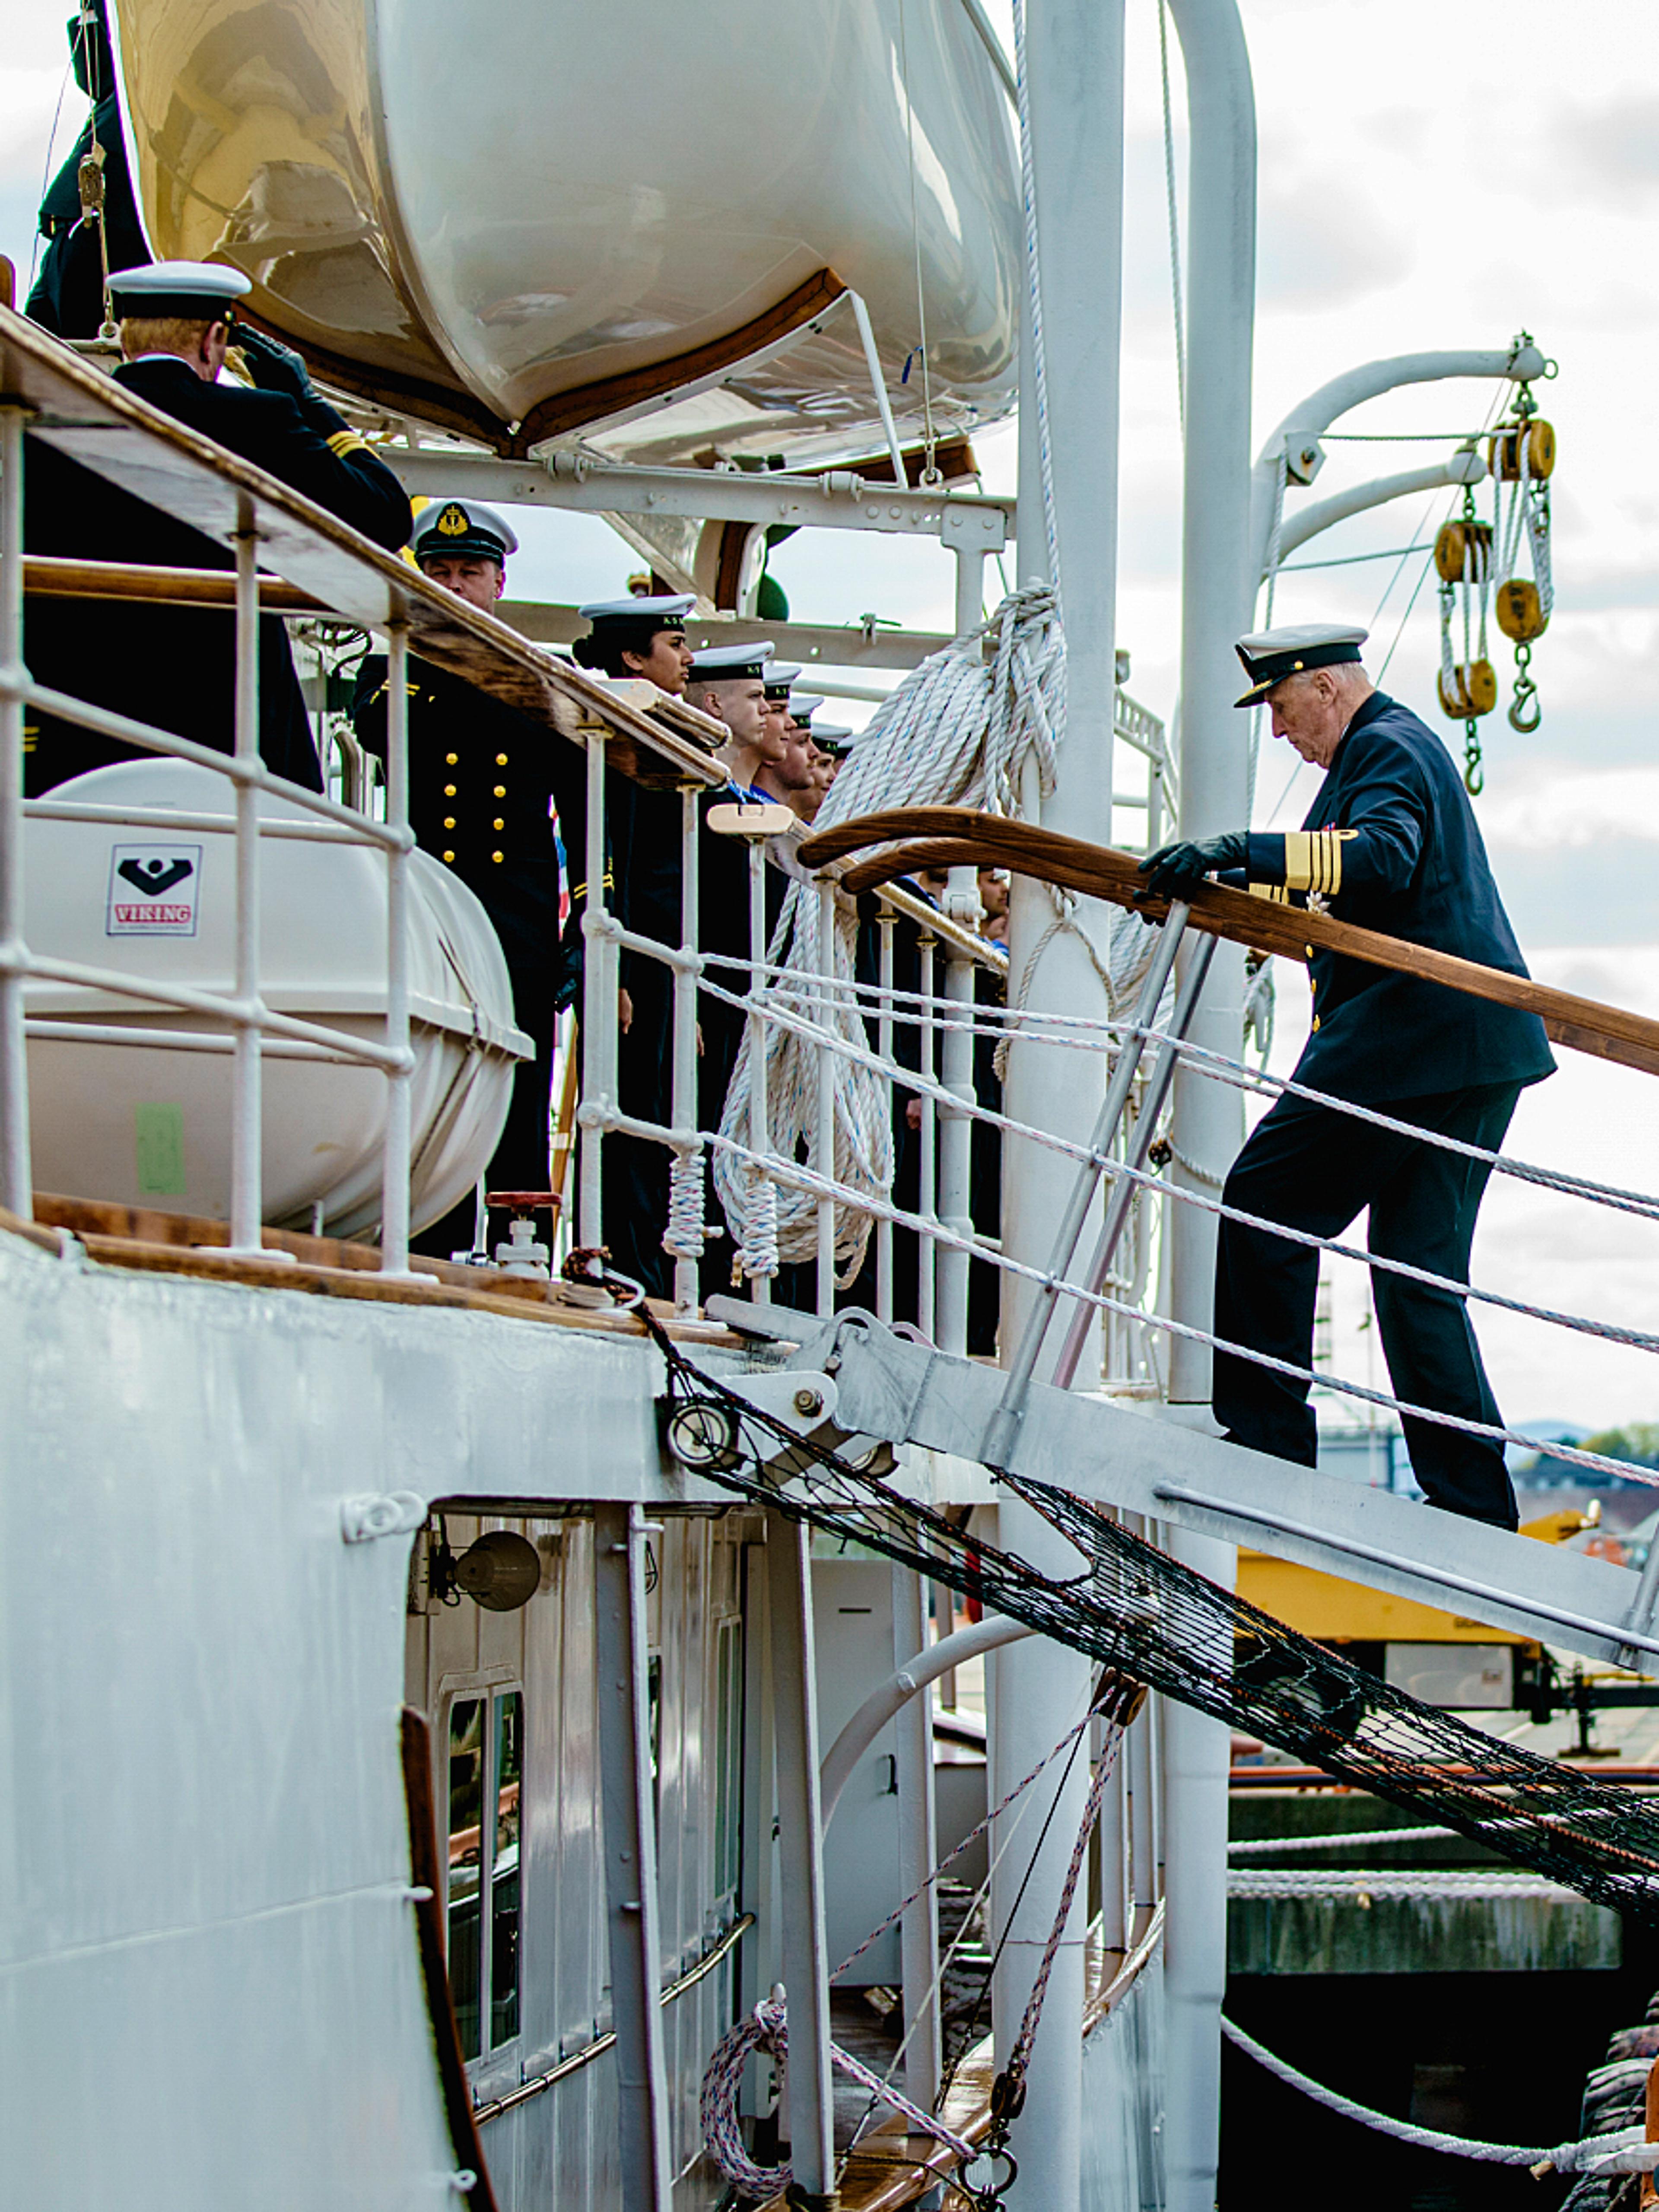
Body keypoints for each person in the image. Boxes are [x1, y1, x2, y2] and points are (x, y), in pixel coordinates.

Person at [1137, 622, 1555, 1529]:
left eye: (1284, 709)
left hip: (1411, 1041)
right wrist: (1235, 886)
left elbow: (1382, 856)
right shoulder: (1388, 752)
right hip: (1470, 1049)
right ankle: (1473, 1502)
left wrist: (1233, 850)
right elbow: (1351, 881)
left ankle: (1270, 1447)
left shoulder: (1387, 748)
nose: (1283, 732)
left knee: (1261, 1205)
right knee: (1415, 1273)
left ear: (1326, 688)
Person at [23, 260, 412, 796]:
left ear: (125, 338)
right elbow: (385, 515)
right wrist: (308, 401)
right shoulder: (259, 419)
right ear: (213, 341)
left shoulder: (49, 426)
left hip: (81, 741)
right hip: (225, 738)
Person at [352, 499, 588, 1255]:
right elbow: (373, 727)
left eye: (470, 573)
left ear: (499, 581)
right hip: (427, 900)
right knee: (428, 1068)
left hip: (513, 909)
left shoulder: (543, 676)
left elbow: (582, 813)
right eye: (440, 572)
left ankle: (522, 1244)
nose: (455, 586)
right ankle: (427, 1237)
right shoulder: (396, 661)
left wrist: (586, 919)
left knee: (519, 1075)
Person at [25, 0, 148, 339]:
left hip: (106, 236)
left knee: (69, 345)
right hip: (73, 227)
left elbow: (101, 80)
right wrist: (92, 10)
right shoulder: (127, 87)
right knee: (38, 340)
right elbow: (100, 76)